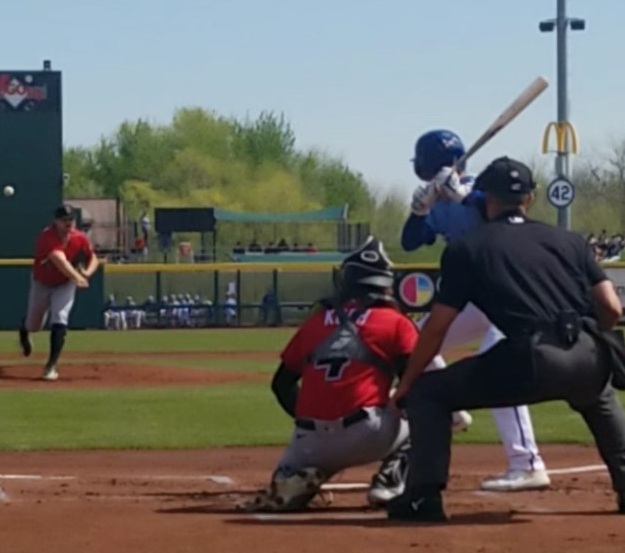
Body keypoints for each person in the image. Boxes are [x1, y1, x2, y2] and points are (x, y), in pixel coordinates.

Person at [386, 157, 625, 522]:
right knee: (598, 394)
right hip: (586, 351)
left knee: (428, 393)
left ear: (484, 199)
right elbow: (611, 307)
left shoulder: (468, 247)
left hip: (529, 359)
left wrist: (408, 382)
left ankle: (422, 498)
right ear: (529, 198)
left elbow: (436, 327)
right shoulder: (571, 240)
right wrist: (595, 339)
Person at [243, 237, 467, 512]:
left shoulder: (314, 322)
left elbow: (281, 384)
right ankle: (390, 480)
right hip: (368, 435)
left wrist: (310, 421)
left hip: (307, 443)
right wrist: (454, 416)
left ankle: (298, 475)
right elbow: (417, 385)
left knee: (295, 466)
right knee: (427, 407)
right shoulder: (395, 322)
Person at [401, 129, 548, 492]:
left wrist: (468, 196)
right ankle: (452, 413)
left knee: (501, 365)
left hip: (507, 294)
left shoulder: (484, 190)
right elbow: (409, 242)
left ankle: (527, 462)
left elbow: (506, 214)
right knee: (413, 342)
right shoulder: (437, 200)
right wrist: (418, 212)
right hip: (470, 297)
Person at [19, 204, 100, 380]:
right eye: (64, 220)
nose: (68, 223)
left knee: (60, 316)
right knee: (34, 325)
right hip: (42, 283)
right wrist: (77, 278)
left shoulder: (79, 238)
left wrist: (87, 272)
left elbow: (93, 257)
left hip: (64, 284)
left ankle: (51, 366)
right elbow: (59, 259)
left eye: (70, 219)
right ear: (55, 222)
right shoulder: (47, 236)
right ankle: (24, 330)